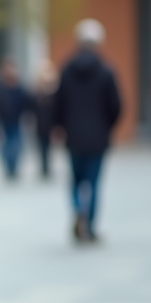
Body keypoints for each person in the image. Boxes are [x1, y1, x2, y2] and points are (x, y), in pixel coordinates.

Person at [53, 19, 121, 243]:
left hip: (73, 136)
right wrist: (107, 127)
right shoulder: (106, 71)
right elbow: (116, 106)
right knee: (93, 183)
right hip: (98, 137)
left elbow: (58, 103)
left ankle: (77, 208)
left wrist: (60, 126)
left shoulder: (67, 69)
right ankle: (89, 225)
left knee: (75, 180)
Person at [0, 58, 31, 180]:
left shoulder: (19, 87)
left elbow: (26, 102)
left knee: (17, 145)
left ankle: (14, 167)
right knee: (5, 146)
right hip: (3, 120)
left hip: (16, 120)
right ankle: (8, 168)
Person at [31, 62, 58, 179]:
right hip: (40, 124)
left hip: (49, 124)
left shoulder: (54, 93)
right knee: (42, 147)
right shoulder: (37, 93)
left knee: (48, 147)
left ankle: (47, 167)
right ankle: (44, 167)